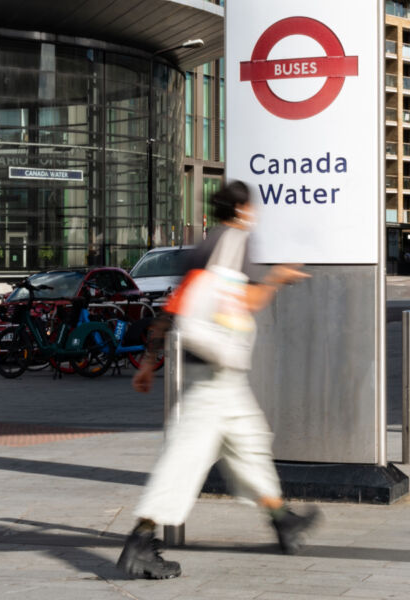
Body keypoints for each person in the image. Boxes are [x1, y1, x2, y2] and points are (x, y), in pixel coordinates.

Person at [118, 180, 319, 581]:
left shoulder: (206, 245)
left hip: (218, 375)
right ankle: (140, 541)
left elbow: (176, 306)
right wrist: (277, 278)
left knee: (250, 443)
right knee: (184, 458)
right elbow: (243, 302)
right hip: (213, 375)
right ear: (242, 209)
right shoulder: (234, 243)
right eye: (252, 207)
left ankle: (282, 519)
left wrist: (149, 361)